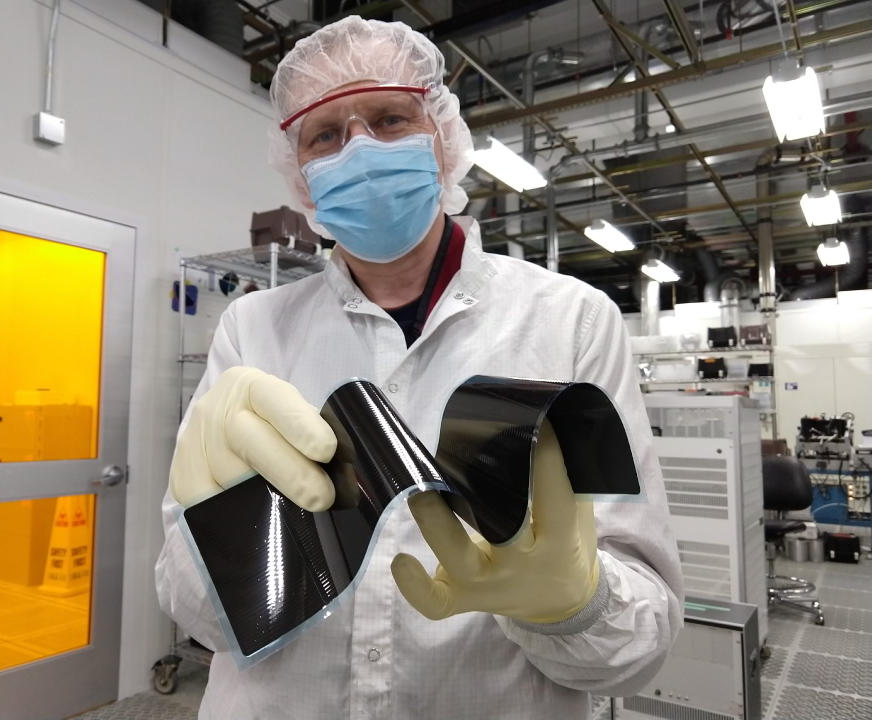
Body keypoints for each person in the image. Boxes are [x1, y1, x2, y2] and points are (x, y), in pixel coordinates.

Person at [155, 15, 683, 719]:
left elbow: (637, 650)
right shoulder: (253, 328)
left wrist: (573, 605)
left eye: (389, 118)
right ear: (301, 174)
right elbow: (204, 620)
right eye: (326, 134)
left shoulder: (570, 320)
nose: (361, 150)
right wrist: (213, 539)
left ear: (442, 135)